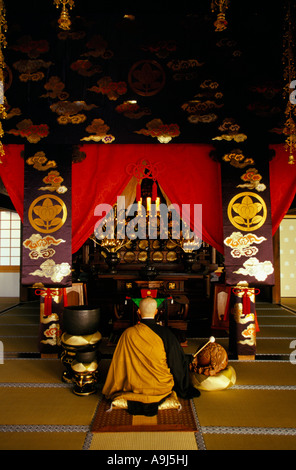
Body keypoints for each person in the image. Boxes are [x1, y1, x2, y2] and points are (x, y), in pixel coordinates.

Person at [102, 296, 200, 416]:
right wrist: (188, 360)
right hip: (160, 387)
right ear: (156, 312)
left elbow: (119, 364)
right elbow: (176, 362)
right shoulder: (166, 334)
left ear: (138, 312)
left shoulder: (127, 334)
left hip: (133, 386)